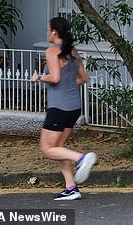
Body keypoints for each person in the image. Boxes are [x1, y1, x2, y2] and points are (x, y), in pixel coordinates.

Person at [31, 17, 98, 201]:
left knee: (47, 148)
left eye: (48, 30)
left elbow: (54, 78)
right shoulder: (73, 52)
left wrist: (38, 78)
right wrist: (67, 83)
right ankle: (71, 188)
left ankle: (82, 158)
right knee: (58, 147)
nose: (47, 33)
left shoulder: (52, 51)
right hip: (73, 107)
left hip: (59, 108)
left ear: (54, 32)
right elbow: (83, 79)